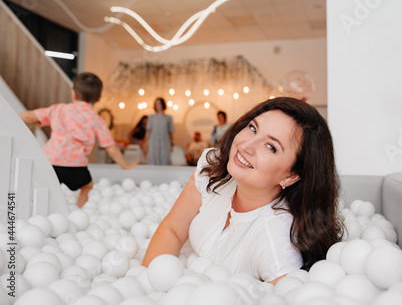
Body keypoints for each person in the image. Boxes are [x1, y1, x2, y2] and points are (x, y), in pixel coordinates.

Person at [143, 97, 344, 284]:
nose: (247, 145)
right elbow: (173, 229)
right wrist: (145, 284)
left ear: (291, 176)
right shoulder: (213, 168)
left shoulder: (276, 245)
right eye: (253, 128)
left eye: (271, 147)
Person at [18, 72, 137, 208]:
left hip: (50, 161)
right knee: (87, 186)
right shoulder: (96, 119)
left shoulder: (58, 109)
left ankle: (40, 209)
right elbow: (111, 148)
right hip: (75, 166)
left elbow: (30, 116)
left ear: (73, 93)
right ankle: (79, 210)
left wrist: (10, 115)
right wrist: (124, 165)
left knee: (44, 188)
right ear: (99, 98)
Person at [143, 97, 175, 165]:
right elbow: (148, 130)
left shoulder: (168, 117)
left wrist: (172, 143)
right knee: (153, 156)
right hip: (153, 140)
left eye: (159, 103)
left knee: (164, 156)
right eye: (156, 104)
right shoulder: (151, 117)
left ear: (163, 104)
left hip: (165, 140)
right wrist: (146, 142)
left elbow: (170, 131)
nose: (158, 105)